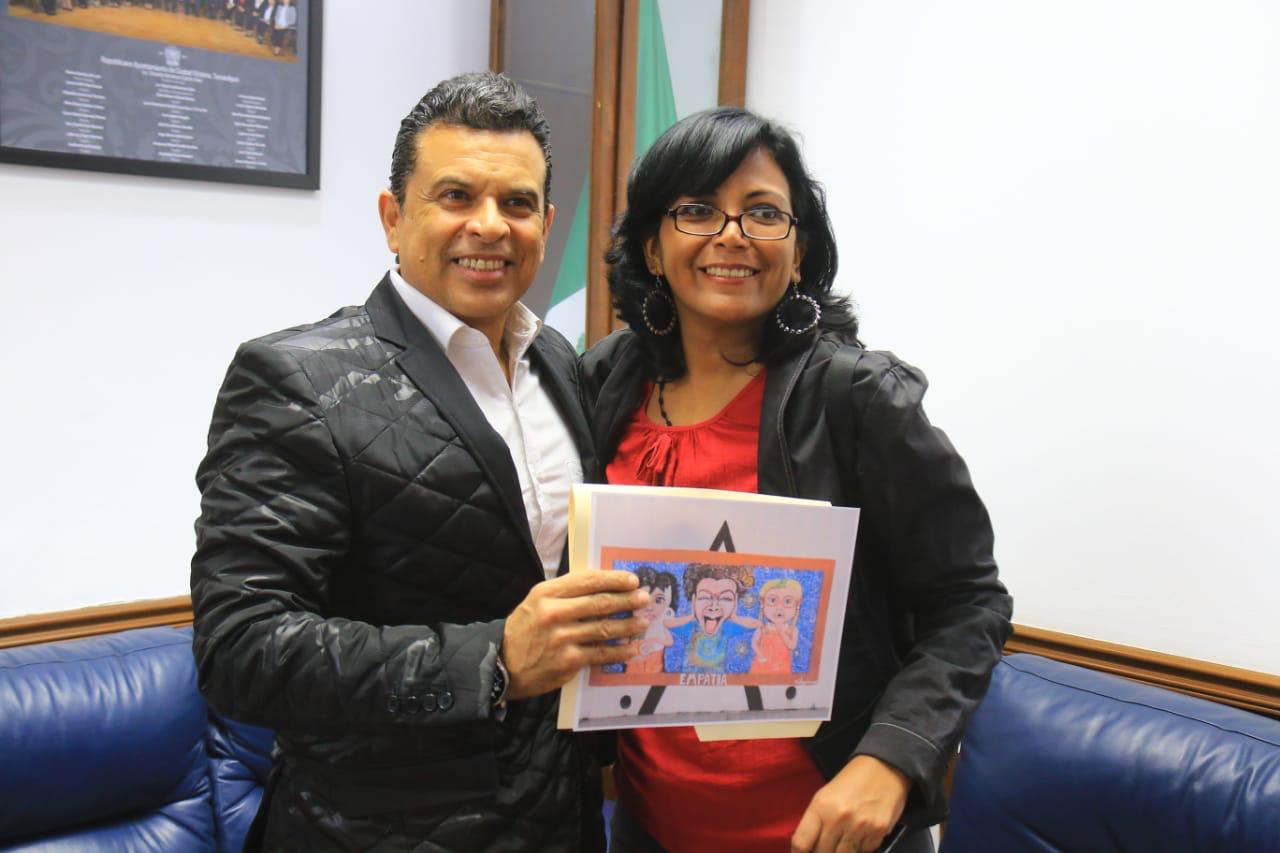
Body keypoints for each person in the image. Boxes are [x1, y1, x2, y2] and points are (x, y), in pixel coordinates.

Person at [191, 72, 649, 852]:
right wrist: (494, 660)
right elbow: (241, 649)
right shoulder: (296, 379)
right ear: (393, 218)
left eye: (516, 203)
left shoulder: (558, 362)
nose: (490, 225)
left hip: (560, 820)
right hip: (374, 832)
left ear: (546, 224)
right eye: (456, 196)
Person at [579, 107, 1013, 853]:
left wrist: (892, 757)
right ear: (652, 246)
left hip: (828, 837)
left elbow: (970, 603)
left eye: (763, 213)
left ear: (799, 248)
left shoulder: (858, 399)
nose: (732, 234)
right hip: (649, 827)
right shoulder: (603, 381)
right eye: (697, 210)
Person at [750, 577, 802, 675]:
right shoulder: (763, 628)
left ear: (797, 605)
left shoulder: (792, 629)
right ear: (762, 603)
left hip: (782, 668)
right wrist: (760, 655)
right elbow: (754, 643)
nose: (779, 608)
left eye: (787, 602)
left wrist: (781, 632)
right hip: (761, 666)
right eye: (773, 600)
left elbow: (791, 646)